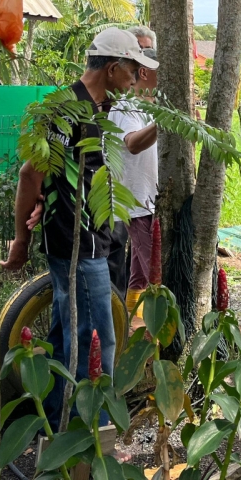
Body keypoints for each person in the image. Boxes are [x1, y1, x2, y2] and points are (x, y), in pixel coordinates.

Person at [1, 27, 158, 427]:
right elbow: (31, 173)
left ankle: (58, 422)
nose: (136, 77)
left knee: (66, 334)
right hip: (78, 243)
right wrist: (21, 239)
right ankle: (91, 435)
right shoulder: (68, 110)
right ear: (112, 68)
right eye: (132, 69)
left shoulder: (98, 107)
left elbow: (66, 173)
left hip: (86, 239)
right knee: (96, 341)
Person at [109, 34, 158, 327]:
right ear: (144, 72)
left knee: (139, 270)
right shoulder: (127, 106)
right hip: (135, 201)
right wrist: (163, 122)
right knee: (149, 269)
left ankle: (130, 325)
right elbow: (132, 143)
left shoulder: (151, 105)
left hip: (149, 199)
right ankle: (143, 329)